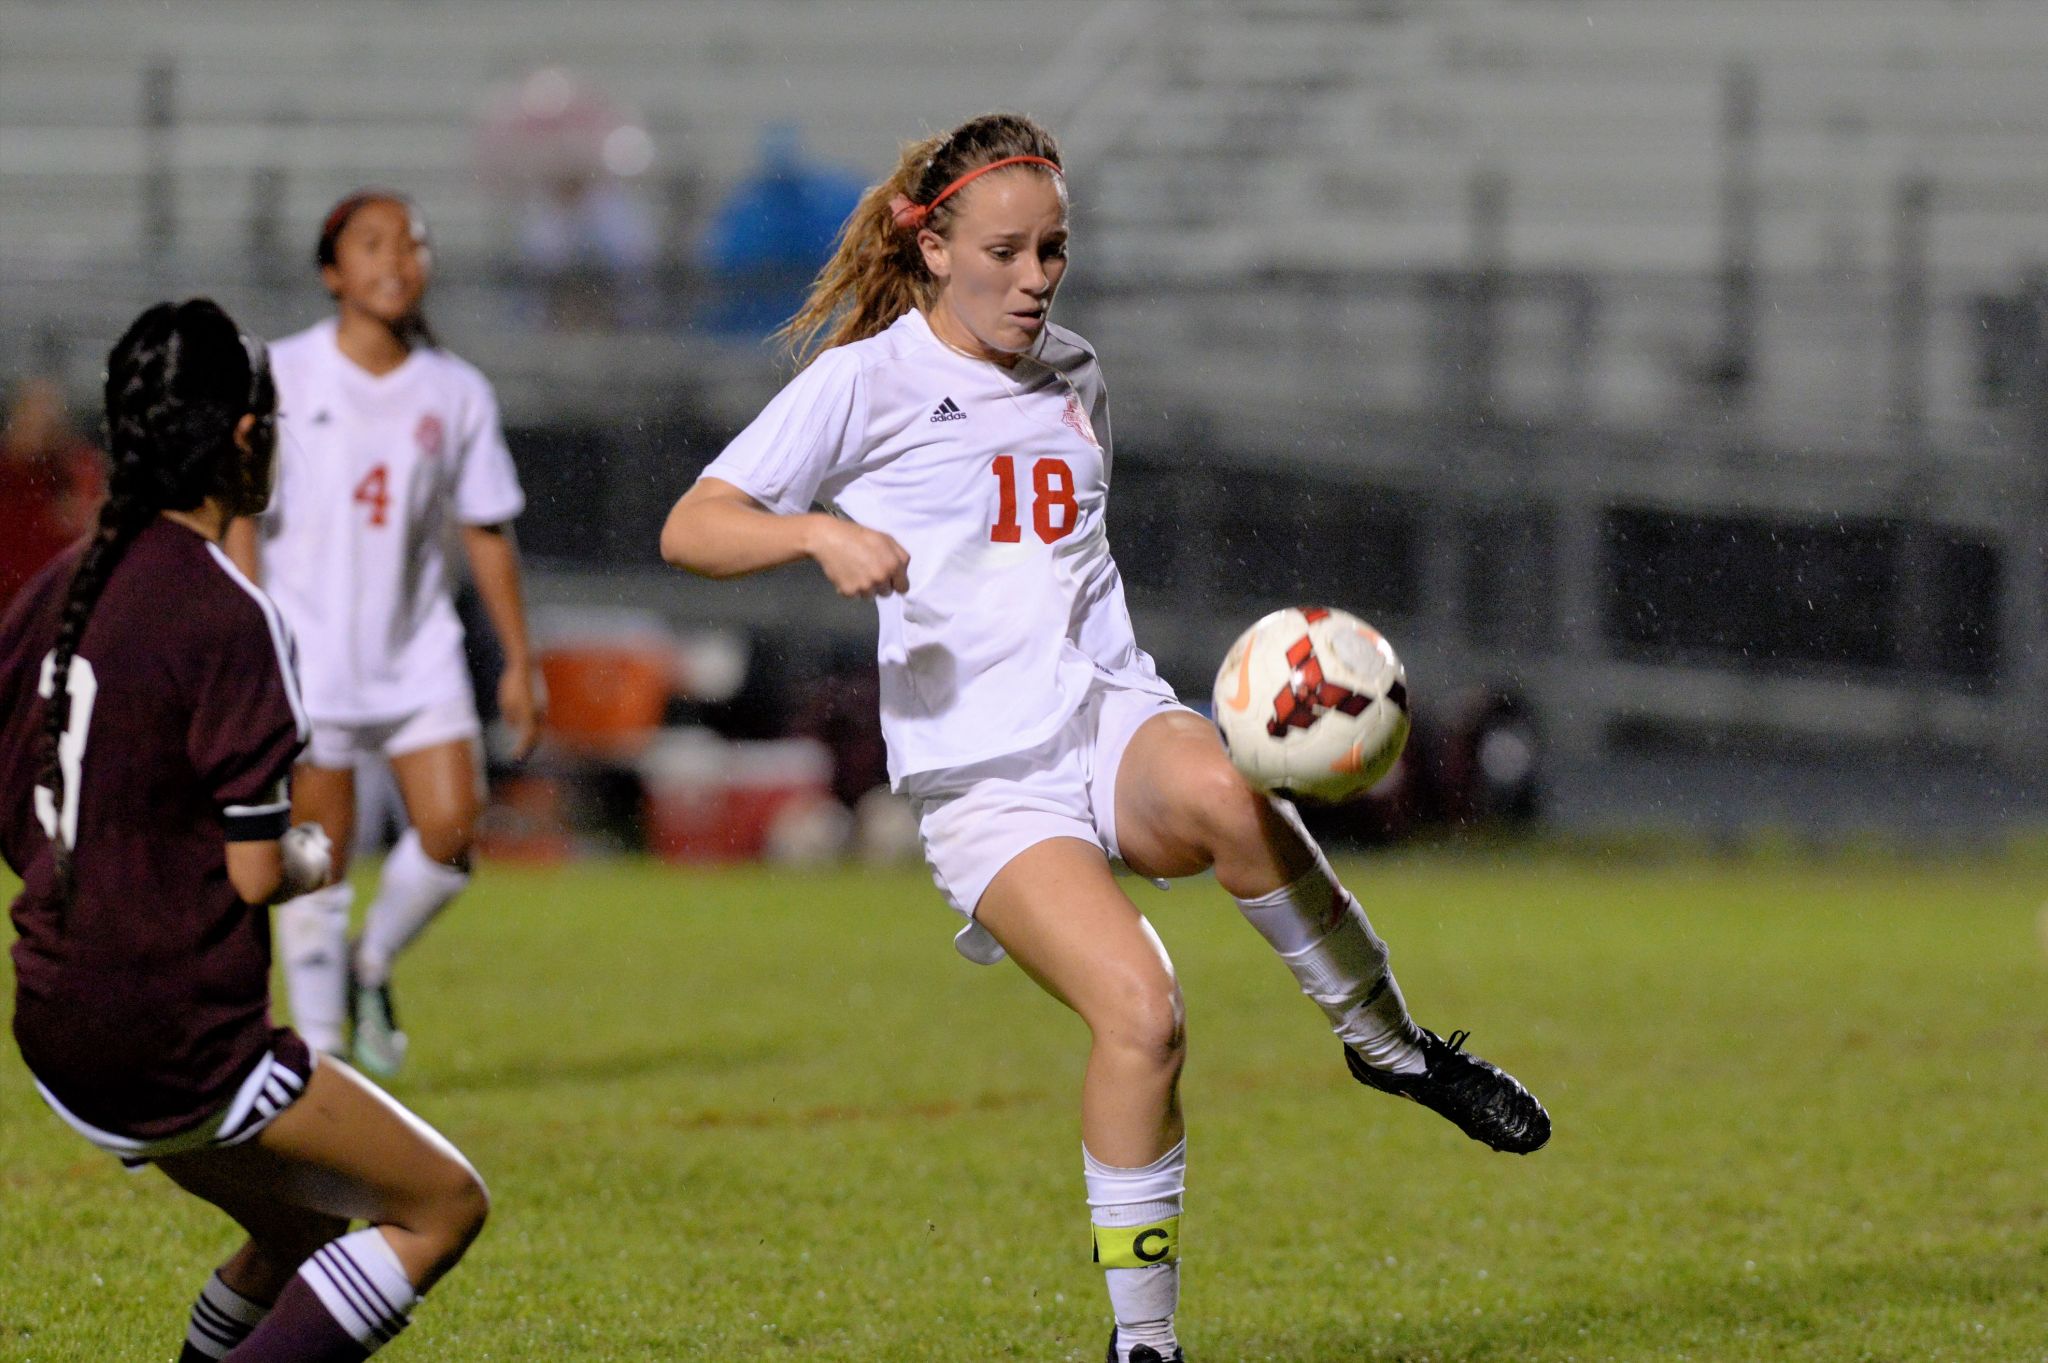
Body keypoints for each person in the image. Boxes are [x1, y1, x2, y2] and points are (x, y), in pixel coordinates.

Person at [659, 112, 1550, 1363]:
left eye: (1054, 252)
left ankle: (1389, 1045)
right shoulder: (864, 382)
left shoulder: (1074, 370)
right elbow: (692, 526)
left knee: (1241, 804)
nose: (1035, 279)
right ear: (930, 248)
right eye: (1008, 252)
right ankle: (1146, 1348)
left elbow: (1060, 574)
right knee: (1144, 1018)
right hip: (985, 782)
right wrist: (813, 533)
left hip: (1106, 710)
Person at [1, 299, 488, 1362]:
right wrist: (317, 855)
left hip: (52, 1020)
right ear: (242, 437)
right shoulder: (227, 611)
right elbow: (261, 868)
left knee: (301, 1227)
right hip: (171, 1039)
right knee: (444, 1204)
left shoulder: (52, 592)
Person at [226, 190, 543, 1078]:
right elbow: (243, 509)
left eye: (411, 243)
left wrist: (520, 659)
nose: (396, 259)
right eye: (371, 245)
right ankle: (323, 1055)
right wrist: (253, 620)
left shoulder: (455, 389)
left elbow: (486, 527)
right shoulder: (283, 374)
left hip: (417, 650)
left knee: (451, 826)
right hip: (311, 650)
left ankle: (371, 963)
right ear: (332, 271)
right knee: (319, 855)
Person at [0, 375, 106, 613]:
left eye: (49, 416)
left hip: (53, 609)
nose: (41, 423)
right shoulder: (8, 477)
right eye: (32, 413)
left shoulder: (74, 473)